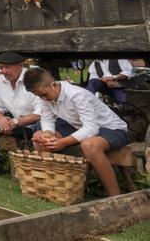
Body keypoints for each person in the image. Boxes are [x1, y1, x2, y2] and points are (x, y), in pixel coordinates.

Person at [26, 67, 129, 197]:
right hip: (81, 127)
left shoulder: (76, 95)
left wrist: (63, 142)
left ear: (54, 85)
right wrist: (48, 134)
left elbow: (91, 128)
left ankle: (115, 196)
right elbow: (47, 119)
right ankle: (54, 188)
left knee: (89, 145)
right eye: (39, 96)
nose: (43, 98)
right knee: (40, 137)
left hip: (113, 129)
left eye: (44, 94)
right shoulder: (45, 95)